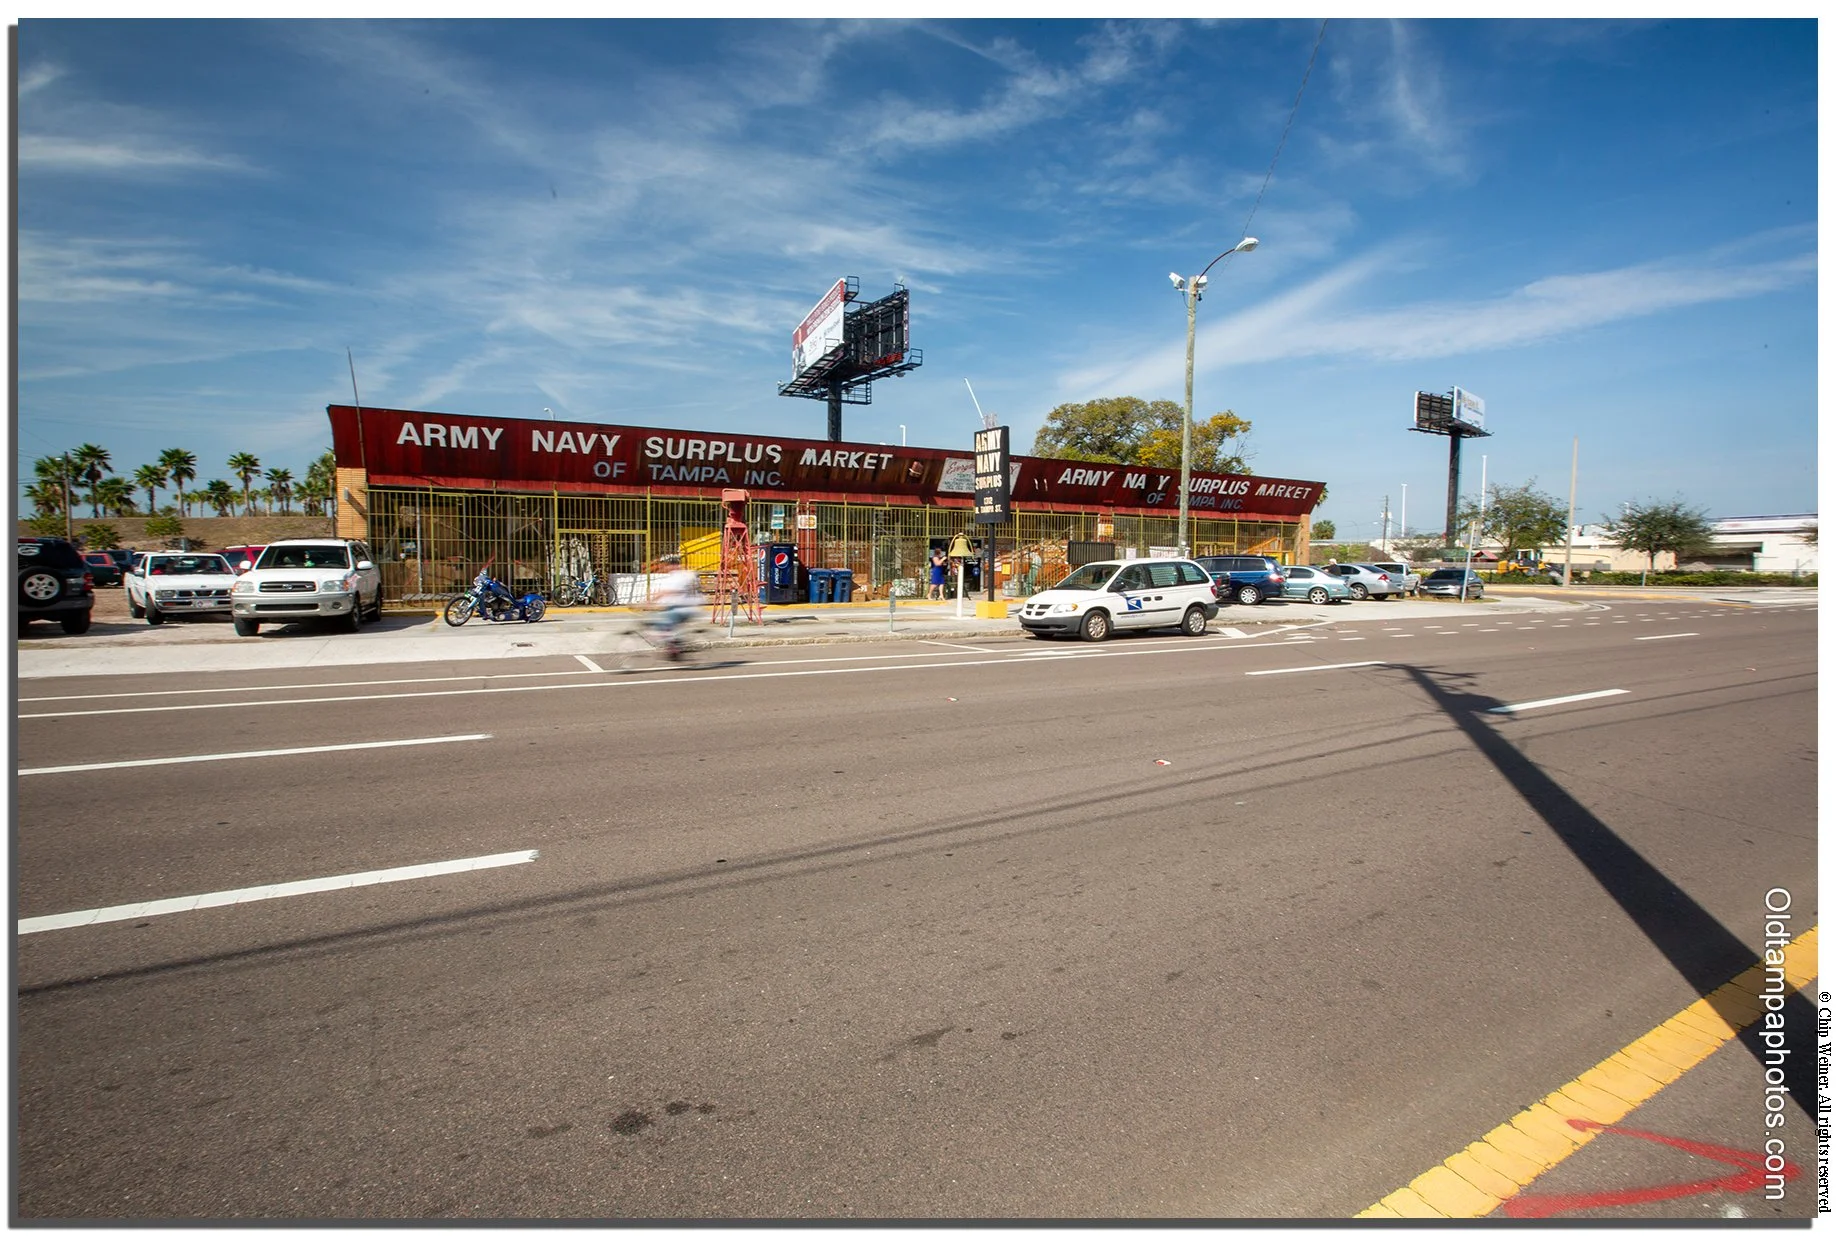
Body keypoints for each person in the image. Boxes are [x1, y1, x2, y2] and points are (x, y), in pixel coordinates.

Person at [647, 559, 702, 660]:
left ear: (674, 566)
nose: (665, 568)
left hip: (683, 608)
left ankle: (675, 648)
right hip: (687, 606)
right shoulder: (687, 574)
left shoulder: (678, 576)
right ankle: (674, 644)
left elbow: (668, 592)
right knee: (661, 622)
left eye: (667, 566)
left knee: (661, 623)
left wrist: (649, 602)